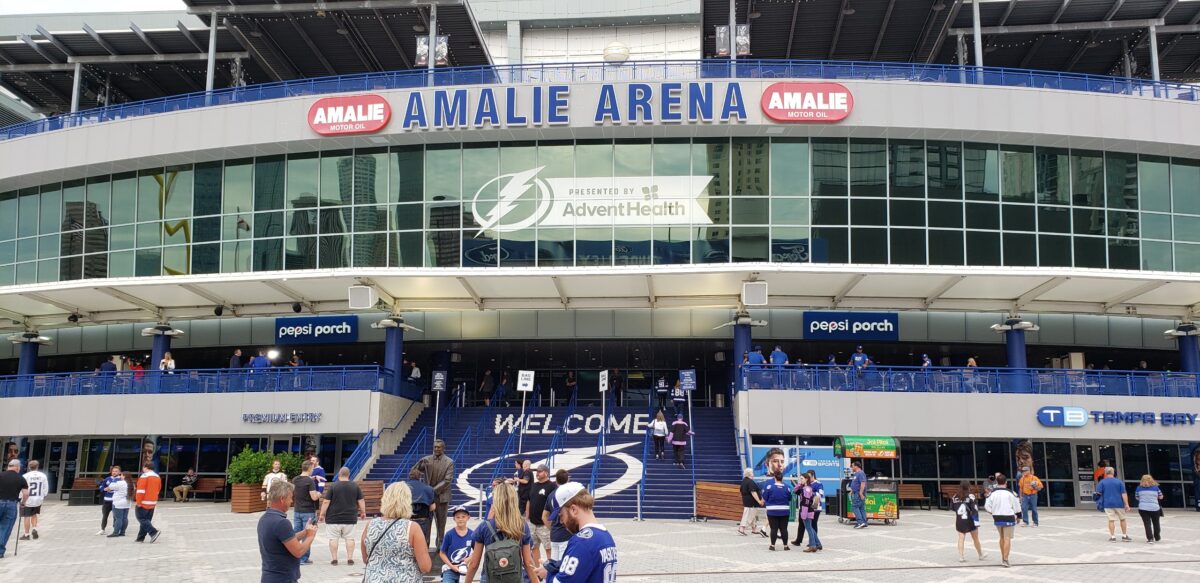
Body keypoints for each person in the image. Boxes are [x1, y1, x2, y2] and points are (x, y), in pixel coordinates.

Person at [536, 483, 618, 583]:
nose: (561, 521)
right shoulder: (606, 536)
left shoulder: (581, 542)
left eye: (561, 515)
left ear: (573, 510)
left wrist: (547, 574)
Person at [463, 483, 540, 583]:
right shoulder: (521, 525)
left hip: (490, 577)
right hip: (514, 578)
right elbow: (528, 562)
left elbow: (474, 564)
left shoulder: (485, 526)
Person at [359, 482, 431, 583]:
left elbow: (366, 558)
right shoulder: (412, 528)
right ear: (407, 502)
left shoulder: (370, 524)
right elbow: (425, 567)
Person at [259, 480, 319, 583]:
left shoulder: (265, 518)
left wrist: (305, 532)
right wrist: (310, 536)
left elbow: (286, 538)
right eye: (290, 498)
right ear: (282, 499)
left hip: (270, 576)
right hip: (282, 578)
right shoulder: (281, 523)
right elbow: (298, 552)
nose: (292, 501)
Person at [413, 439, 455, 549]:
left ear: (443, 448)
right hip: (427, 499)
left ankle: (440, 546)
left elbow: (447, 480)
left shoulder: (449, 462)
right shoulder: (427, 460)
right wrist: (420, 462)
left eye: (439, 447)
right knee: (426, 523)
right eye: (435, 447)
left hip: (441, 497)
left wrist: (432, 490)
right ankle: (424, 545)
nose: (436, 449)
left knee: (441, 524)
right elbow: (413, 473)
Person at [320, 466, 365, 565]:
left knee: (333, 538)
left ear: (339, 475)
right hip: (350, 518)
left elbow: (326, 502)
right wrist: (363, 512)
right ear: (349, 475)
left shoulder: (333, 486)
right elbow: (361, 500)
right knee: (350, 538)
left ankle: (334, 559)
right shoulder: (355, 486)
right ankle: (350, 559)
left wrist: (322, 514)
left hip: (333, 518)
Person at [983, 473, 1020, 568]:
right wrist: (1018, 516)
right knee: (1007, 538)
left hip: (997, 517)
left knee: (1001, 537)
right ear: (1006, 482)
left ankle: (1003, 557)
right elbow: (1017, 506)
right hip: (1008, 516)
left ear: (997, 482)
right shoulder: (1011, 493)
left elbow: (987, 506)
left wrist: (992, 512)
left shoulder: (992, 493)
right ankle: (1005, 559)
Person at [291, 461, 320, 565]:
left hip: (297, 510)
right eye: (312, 468)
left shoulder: (295, 479)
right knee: (308, 534)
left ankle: (293, 556)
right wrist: (318, 494)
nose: (313, 470)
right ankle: (303, 559)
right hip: (308, 512)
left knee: (295, 534)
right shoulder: (309, 481)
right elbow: (313, 497)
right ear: (309, 468)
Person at [527, 463, 557, 564]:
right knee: (533, 548)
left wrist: (551, 521)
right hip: (532, 523)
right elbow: (529, 501)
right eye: (536, 471)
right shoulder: (533, 485)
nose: (537, 473)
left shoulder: (552, 486)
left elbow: (554, 504)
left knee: (548, 548)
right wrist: (527, 518)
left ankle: (549, 571)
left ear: (546, 473)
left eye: (540, 471)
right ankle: (538, 571)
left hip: (544, 524)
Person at [951, 480, 987, 562]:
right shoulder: (971, 496)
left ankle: (961, 556)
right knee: (975, 538)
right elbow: (974, 509)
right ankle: (980, 554)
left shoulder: (955, 496)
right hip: (970, 520)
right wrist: (976, 521)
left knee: (961, 538)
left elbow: (953, 508)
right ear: (968, 486)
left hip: (960, 520)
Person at [543, 469, 573, 562]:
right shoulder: (569, 494)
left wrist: (552, 528)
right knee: (563, 565)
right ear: (567, 480)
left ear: (556, 480)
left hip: (554, 535)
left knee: (554, 566)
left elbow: (544, 516)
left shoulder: (551, 495)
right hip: (566, 535)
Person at [1096, 466, 1132, 542]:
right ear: (1113, 472)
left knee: (1111, 520)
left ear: (1105, 473)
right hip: (1119, 503)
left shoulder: (1102, 482)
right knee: (1122, 519)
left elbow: (1098, 493)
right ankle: (1124, 536)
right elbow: (1123, 493)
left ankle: (1113, 537)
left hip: (1107, 504)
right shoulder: (1119, 482)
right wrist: (1126, 504)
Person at [440, 506, 474, 583]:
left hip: (464, 570)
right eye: (458, 517)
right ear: (454, 519)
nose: (460, 519)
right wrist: (452, 566)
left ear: (468, 517)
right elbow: (442, 553)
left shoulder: (472, 534)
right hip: (449, 569)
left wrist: (468, 559)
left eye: (463, 516)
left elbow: (477, 552)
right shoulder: (449, 534)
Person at [0, 459, 26, 558]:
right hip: (11, 504)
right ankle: (0, 551)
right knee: (5, 528)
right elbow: (26, 493)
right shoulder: (20, 478)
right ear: (17, 467)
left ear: (8, 466)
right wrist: (23, 503)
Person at [405, 467, 437, 549]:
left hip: (406, 521)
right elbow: (432, 507)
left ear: (409, 476)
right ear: (420, 477)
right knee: (422, 545)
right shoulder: (428, 488)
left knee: (407, 544)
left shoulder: (403, 488)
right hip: (423, 521)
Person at [761, 467, 791, 551]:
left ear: (774, 477)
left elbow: (765, 497)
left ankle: (772, 546)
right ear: (782, 478)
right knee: (784, 529)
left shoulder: (770, 487)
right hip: (784, 511)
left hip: (772, 511)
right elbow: (789, 498)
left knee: (773, 529)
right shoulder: (787, 487)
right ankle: (785, 546)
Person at [793, 469, 824, 548]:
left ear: (812, 476)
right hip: (805, 508)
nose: (808, 478)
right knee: (804, 525)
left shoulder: (817, 484)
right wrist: (799, 485)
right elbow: (796, 491)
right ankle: (801, 540)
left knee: (812, 526)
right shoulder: (804, 486)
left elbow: (820, 495)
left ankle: (813, 543)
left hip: (813, 508)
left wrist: (812, 494)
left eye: (808, 477)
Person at [18, 460, 47, 541]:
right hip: (38, 499)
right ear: (37, 466)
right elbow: (45, 487)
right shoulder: (43, 476)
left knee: (26, 516)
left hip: (28, 499)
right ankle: (34, 528)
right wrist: (43, 495)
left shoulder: (25, 476)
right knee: (34, 514)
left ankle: (26, 534)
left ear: (29, 467)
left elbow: (22, 489)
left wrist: (21, 499)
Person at [134, 461, 162, 543]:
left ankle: (153, 532)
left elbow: (140, 491)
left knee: (141, 518)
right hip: (152, 501)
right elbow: (158, 489)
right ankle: (140, 538)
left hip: (143, 502)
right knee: (146, 520)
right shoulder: (157, 477)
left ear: (145, 467)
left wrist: (138, 502)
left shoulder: (144, 476)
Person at [1135, 474, 1163, 543]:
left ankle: (1150, 538)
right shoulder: (1156, 488)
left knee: (1147, 524)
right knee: (1156, 523)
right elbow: (1161, 497)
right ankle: (1157, 536)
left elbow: (1137, 497)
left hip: (1143, 508)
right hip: (1155, 508)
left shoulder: (1138, 488)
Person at [738, 467, 766, 537]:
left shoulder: (744, 481)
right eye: (752, 473)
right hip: (751, 503)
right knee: (748, 516)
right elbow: (753, 492)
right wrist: (759, 501)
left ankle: (754, 528)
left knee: (752, 515)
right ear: (749, 474)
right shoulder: (750, 482)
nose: (753, 474)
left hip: (747, 502)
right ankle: (742, 528)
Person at [97, 465, 123, 535]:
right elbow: (101, 486)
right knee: (105, 515)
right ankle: (102, 529)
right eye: (113, 471)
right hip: (106, 501)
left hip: (116, 501)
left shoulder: (121, 480)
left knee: (116, 516)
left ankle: (115, 529)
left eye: (116, 471)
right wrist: (104, 489)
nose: (114, 472)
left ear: (119, 472)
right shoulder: (107, 479)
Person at [105, 469, 130, 538]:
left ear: (124, 476)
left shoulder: (121, 482)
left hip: (118, 503)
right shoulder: (130, 483)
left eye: (121, 475)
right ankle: (122, 532)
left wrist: (115, 479)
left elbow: (110, 486)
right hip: (127, 502)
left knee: (118, 518)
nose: (120, 476)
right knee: (125, 518)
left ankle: (115, 533)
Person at [849, 460, 868, 529]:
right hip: (856, 492)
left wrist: (860, 493)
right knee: (861, 508)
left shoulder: (860, 473)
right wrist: (851, 490)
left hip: (858, 493)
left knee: (855, 507)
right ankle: (864, 522)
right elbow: (856, 483)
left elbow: (863, 483)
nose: (852, 467)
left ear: (856, 466)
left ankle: (860, 522)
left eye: (852, 466)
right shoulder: (856, 474)